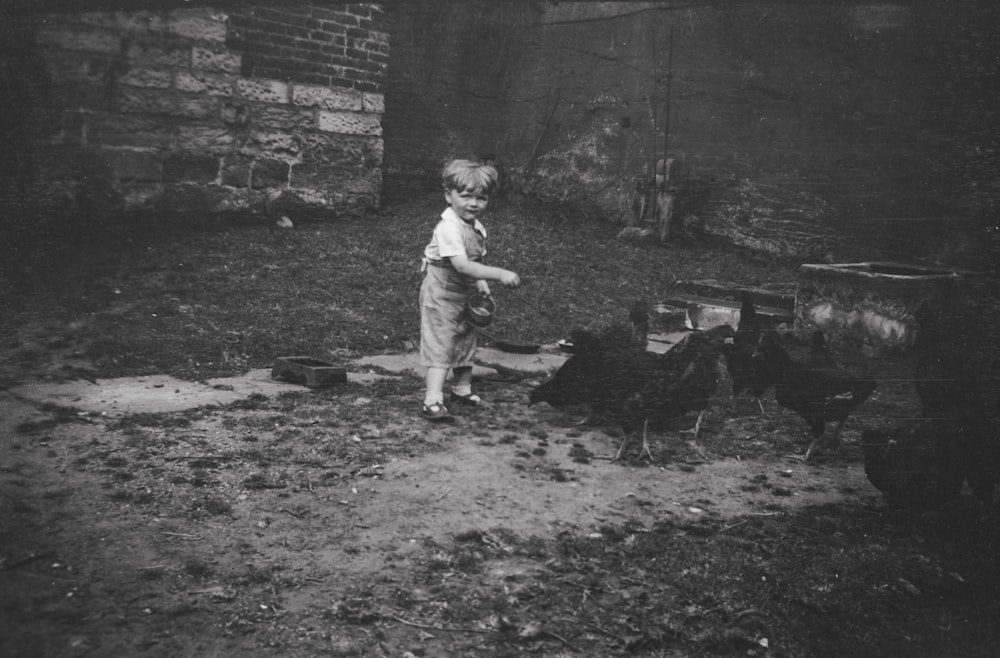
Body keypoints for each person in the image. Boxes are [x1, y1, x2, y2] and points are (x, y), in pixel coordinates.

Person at [419, 159, 521, 420]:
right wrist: (499, 275)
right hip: (441, 292)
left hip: (464, 291)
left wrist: (482, 283)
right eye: (466, 196)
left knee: (466, 337)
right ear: (448, 195)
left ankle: (462, 388)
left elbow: (476, 262)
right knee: (442, 341)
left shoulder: (475, 227)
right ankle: (432, 399)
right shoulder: (448, 228)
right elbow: (462, 266)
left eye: (481, 198)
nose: (473, 203)